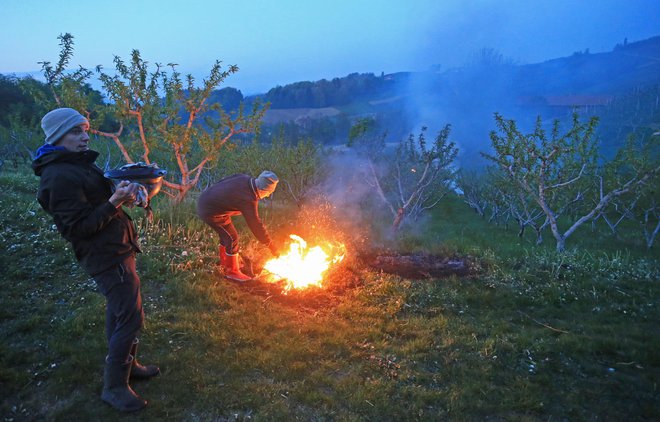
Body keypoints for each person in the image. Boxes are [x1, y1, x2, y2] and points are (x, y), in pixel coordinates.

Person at [31, 108, 159, 413]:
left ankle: (130, 366)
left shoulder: (76, 164)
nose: (85, 136)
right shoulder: (58, 175)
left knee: (119, 310)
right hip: (104, 254)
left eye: (86, 130)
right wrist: (115, 201)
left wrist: (124, 192)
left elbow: (96, 202)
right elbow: (77, 228)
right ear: (57, 136)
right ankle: (115, 387)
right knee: (131, 316)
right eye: (76, 131)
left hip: (117, 246)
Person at [197, 171, 282, 282]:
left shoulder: (244, 178)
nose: (268, 195)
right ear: (263, 190)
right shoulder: (248, 199)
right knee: (232, 238)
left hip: (208, 200)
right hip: (210, 211)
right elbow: (255, 225)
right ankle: (232, 272)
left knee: (226, 235)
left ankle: (225, 264)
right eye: (268, 193)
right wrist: (271, 246)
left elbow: (223, 181)